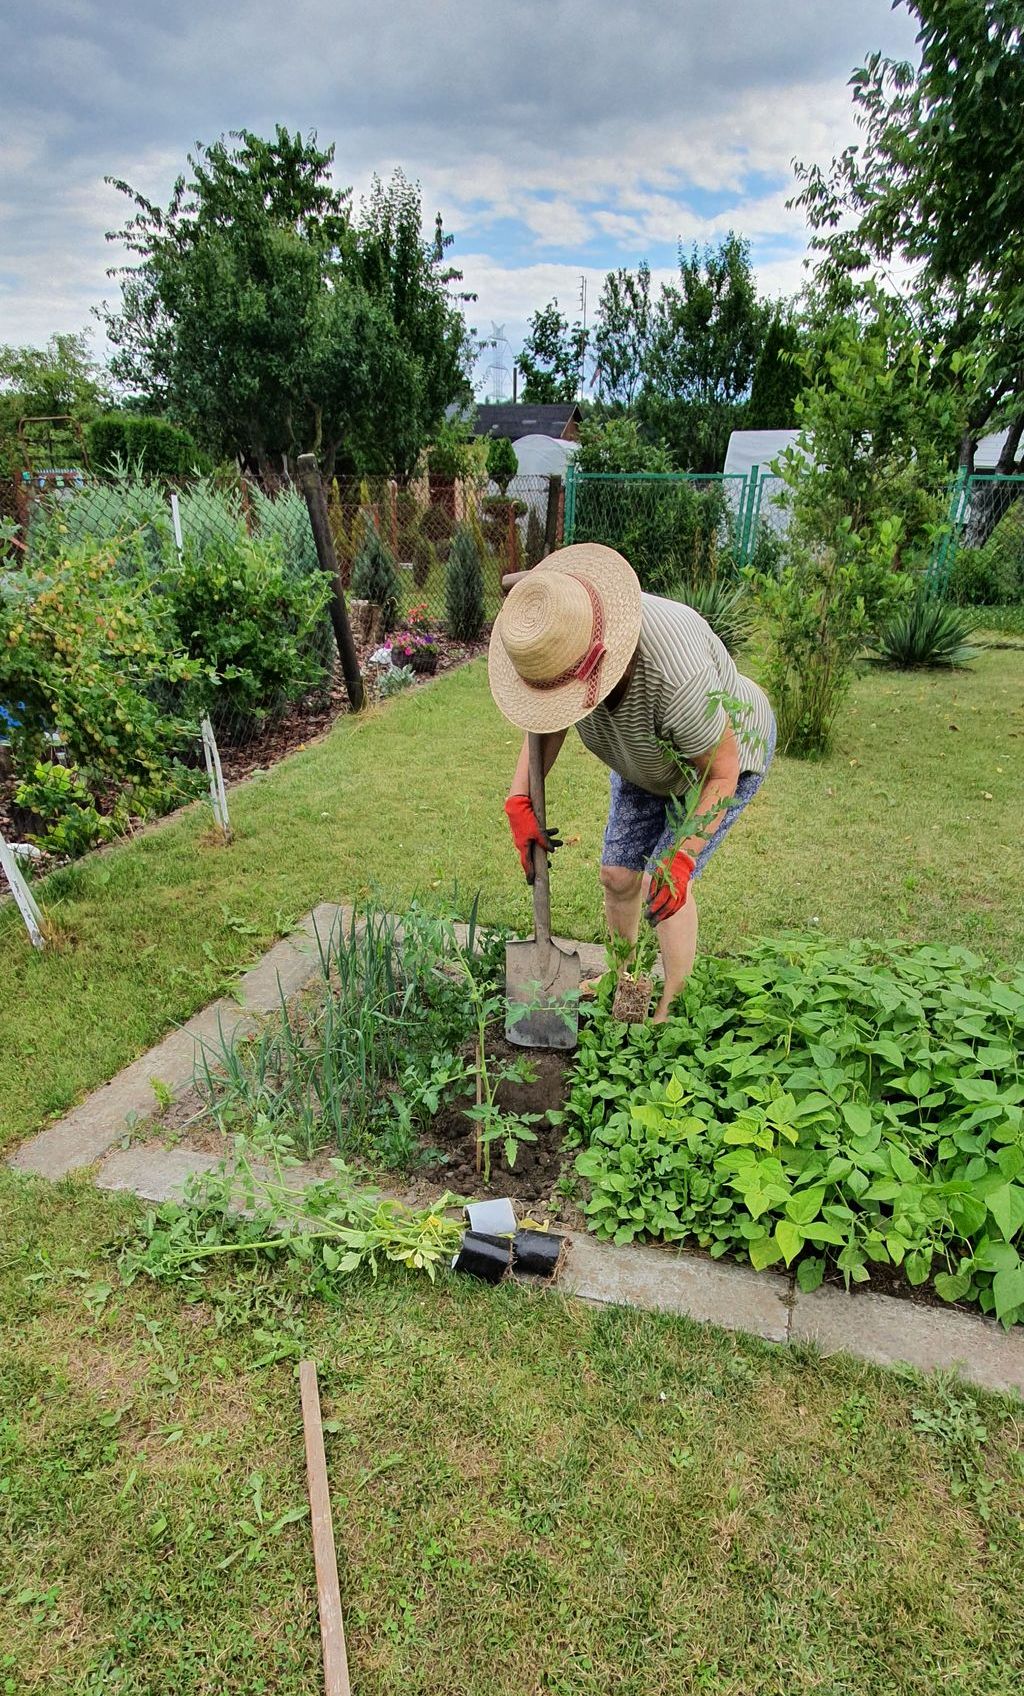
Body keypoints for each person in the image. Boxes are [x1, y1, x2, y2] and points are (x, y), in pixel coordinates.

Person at [489, 543, 775, 1022]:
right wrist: (519, 798)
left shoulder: (677, 677)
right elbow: (549, 721)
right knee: (618, 876)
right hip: (642, 757)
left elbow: (721, 771)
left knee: (663, 881)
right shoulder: (565, 629)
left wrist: (681, 859)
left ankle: (672, 1006)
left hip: (714, 761)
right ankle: (623, 979)